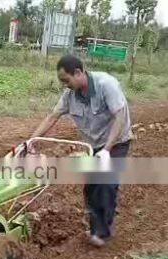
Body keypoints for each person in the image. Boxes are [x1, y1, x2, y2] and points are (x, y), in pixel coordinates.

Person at [31, 54, 133, 247]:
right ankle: (97, 225)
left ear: (78, 72)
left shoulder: (106, 85)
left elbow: (120, 116)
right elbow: (53, 116)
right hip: (93, 145)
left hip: (116, 141)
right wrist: (31, 141)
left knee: (106, 184)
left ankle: (102, 232)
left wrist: (107, 149)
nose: (64, 85)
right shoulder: (70, 95)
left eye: (66, 80)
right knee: (91, 188)